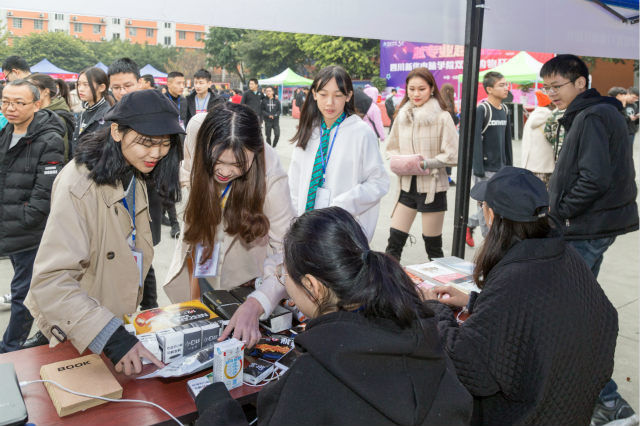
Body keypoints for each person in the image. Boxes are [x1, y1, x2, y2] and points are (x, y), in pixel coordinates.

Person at [194, 207, 473, 426]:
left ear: (313, 287)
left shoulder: (313, 377)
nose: (284, 282)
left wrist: (216, 410)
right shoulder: (423, 333)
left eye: (284, 276)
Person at [422, 167, 619, 425]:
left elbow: (469, 366)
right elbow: (537, 315)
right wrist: (474, 301)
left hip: (526, 414)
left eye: (483, 205)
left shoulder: (515, 278)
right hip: (568, 407)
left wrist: (433, 309)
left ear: (491, 216)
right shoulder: (565, 257)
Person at [24, 90, 184, 375]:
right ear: (116, 131)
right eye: (146, 142)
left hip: (118, 322)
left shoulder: (134, 171)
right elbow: (51, 280)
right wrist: (111, 337)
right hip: (83, 329)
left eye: (164, 144)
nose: (157, 153)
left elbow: (134, 249)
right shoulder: (78, 184)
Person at [541, 54, 639, 425]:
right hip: (592, 225)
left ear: (581, 83)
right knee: (574, 310)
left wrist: (562, 209)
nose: (551, 93)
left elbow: (594, 177)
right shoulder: (594, 112)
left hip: (587, 227)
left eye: (557, 86)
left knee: (567, 314)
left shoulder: (594, 115)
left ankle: (608, 400)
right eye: (546, 87)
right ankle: (592, 393)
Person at [164, 102, 296, 348]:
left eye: (238, 165)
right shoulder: (196, 128)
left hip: (246, 266)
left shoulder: (271, 176)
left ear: (254, 154)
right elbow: (187, 171)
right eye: (217, 160)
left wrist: (258, 302)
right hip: (204, 247)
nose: (225, 172)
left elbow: (285, 252)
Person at [289, 65, 389, 242]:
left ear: (348, 96)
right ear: (314, 94)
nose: (329, 103)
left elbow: (379, 182)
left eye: (337, 95)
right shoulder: (308, 131)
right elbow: (294, 183)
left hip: (342, 231)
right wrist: (294, 224)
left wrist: (343, 204)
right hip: (306, 230)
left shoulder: (361, 133)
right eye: (323, 94)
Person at [0, 79, 65, 353]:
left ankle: (11, 347)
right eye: (5, 101)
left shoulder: (49, 138)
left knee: (23, 294)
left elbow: (44, 195)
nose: (10, 108)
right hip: (8, 227)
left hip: (29, 232)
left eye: (18, 102)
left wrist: (24, 219)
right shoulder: (6, 131)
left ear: (37, 104)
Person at [385, 68, 458, 262]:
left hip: (433, 189)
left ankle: (441, 291)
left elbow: (453, 155)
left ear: (432, 89)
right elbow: (390, 148)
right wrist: (402, 162)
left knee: (433, 249)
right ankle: (386, 289)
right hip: (406, 188)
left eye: (421, 89)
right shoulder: (401, 116)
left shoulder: (443, 117)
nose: (416, 94)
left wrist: (425, 163)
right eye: (412, 89)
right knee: (393, 245)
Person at [108, 57, 164, 312]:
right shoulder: (112, 116)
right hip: (117, 197)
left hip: (146, 196)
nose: (121, 92)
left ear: (140, 82)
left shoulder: (156, 112)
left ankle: (150, 307)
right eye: (116, 87)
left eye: (127, 85)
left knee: (144, 254)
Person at [466, 71, 512, 248]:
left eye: (506, 84)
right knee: (484, 205)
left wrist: (509, 166)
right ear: (489, 89)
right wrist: (478, 168)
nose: (506, 88)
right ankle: (489, 242)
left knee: (497, 205)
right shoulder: (482, 109)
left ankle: (470, 224)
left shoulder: (505, 109)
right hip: (484, 168)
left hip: (501, 168)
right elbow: (475, 139)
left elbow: (507, 141)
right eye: (501, 85)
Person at [26, 73, 75, 163]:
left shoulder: (57, 117)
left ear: (46, 92)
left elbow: (62, 152)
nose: (28, 93)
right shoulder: (36, 112)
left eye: (32, 89)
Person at [162, 71, 186, 239]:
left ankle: (164, 213)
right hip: (164, 148)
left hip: (180, 147)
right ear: (168, 84)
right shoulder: (161, 101)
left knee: (170, 184)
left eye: (183, 83)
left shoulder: (185, 102)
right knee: (169, 185)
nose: (181, 86)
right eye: (178, 83)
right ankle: (175, 223)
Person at [71, 67, 114, 158]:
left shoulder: (107, 116)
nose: (80, 89)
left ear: (102, 87)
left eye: (86, 85)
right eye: (79, 84)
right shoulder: (83, 114)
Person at [520, 91, 556, 185]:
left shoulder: (532, 116)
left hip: (529, 166)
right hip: (545, 167)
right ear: (550, 103)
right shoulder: (551, 117)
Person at [441, 83, 459, 186]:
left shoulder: (438, 103)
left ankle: (442, 176)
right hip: (449, 135)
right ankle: (447, 178)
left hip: (439, 135)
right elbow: (454, 121)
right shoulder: (451, 106)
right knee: (448, 154)